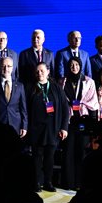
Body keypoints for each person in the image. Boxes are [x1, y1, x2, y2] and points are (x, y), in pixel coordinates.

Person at [25, 62, 69, 192]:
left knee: (50, 157)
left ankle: (48, 182)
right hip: (36, 128)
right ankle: (36, 182)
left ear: (48, 72)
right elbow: (25, 109)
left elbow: (65, 108)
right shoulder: (30, 88)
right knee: (36, 157)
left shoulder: (56, 88)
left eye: (42, 71)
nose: (39, 74)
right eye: (37, 71)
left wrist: (64, 127)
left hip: (53, 128)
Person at [59, 57, 99, 190]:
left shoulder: (89, 82)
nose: (74, 67)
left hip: (83, 121)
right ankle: (68, 183)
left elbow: (93, 102)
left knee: (81, 152)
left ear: (81, 66)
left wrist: (92, 124)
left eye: (77, 64)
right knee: (68, 152)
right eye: (71, 64)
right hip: (69, 121)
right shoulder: (62, 81)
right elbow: (61, 101)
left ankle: (80, 183)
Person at [0, 56, 27, 138]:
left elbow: (23, 108)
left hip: (15, 124)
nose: (6, 69)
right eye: (3, 66)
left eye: (9, 66)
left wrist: (24, 126)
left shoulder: (20, 86)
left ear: (13, 68)